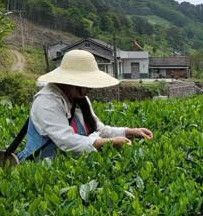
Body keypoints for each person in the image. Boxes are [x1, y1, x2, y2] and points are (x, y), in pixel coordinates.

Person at [16, 49, 153, 161]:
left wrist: (130, 132)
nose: (91, 87)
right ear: (72, 81)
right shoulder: (46, 101)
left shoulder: (80, 99)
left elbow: (99, 129)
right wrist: (110, 143)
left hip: (73, 164)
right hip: (43, 168)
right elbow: (66, 141)